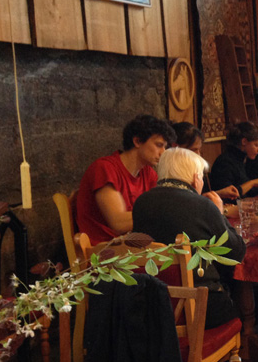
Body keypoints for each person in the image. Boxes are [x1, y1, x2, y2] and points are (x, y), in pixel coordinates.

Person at [132, 147, 246, 329]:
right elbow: (236, 254)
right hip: (199, 306)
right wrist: (219, 212)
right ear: (195, 177)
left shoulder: (141, 203)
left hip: (155, 305)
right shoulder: (203, 206)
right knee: (236, 303)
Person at [77, 114, 176, 244]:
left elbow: (157, 206)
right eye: (158, 145)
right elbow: (118, 223)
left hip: (134, 246)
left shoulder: (148, 173)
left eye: (165, 147)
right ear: (137, 141)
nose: (163, 152)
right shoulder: (105, 168)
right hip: (106, 249)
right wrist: (166, 212)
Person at [173, 121, 239, 203]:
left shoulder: (194, 168)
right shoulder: (171, 173)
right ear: (175, 147)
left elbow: (196, 197)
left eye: (199, 150)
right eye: (193, 150)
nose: (198, 155)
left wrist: (218, 194)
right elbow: (183, 205)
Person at [209, 121, 258, 200]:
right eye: (257, 145)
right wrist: (252, 183)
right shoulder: (224, 162)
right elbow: (228, 195)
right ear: (244, 141)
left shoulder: (242, 159)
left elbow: (247, 192)